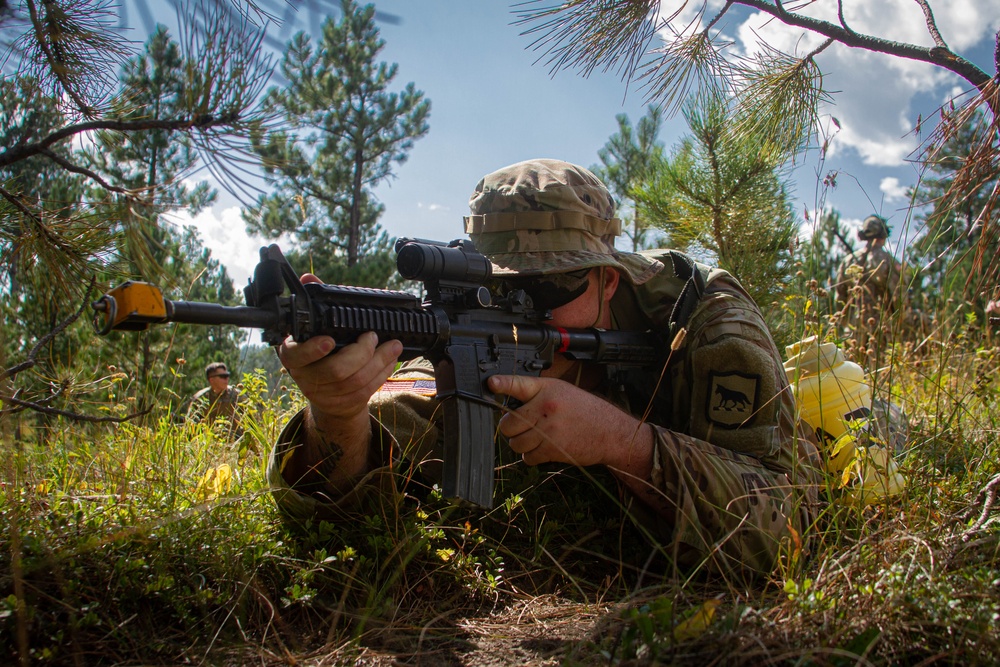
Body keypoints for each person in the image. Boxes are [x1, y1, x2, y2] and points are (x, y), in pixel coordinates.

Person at [267, 159, 821, 577]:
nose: (524, 306)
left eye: (553, 285)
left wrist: (624, 443)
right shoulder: (474, 340)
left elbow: (791, 528)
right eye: (500, 287)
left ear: (607, 279)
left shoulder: (709, 328)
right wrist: (337, 415)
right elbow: (326, 531)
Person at [834, 215, 904, 354]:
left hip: (853, 329)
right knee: (877, 369)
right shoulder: (888, 260)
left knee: (851, 371)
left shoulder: (848, 261)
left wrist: (845, 323)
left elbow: (839, 298)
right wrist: (898, 323)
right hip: (880, 327)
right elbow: (899, 296)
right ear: (884, 235)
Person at [187, 362, 242, 436]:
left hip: (236, 441)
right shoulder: (201, 399)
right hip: (209, 442)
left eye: (227, 375)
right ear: (211, 380)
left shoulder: (237, 395)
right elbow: (190, 424)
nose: (227, 379)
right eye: (223, 376)